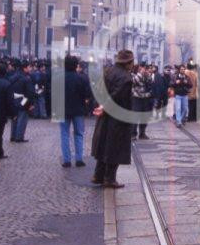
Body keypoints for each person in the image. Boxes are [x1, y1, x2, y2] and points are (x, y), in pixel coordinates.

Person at [90, 50, 136, 189]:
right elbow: (117, 96)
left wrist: (100, 105)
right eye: (132, 62)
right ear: (128, 63)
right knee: (114, 148)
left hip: (105, 116)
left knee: (103, 145)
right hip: (118, 117)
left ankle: (98, 175)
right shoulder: (126, 78)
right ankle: (109, 179)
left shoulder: (108, 71)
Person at [60, 55, 93, 167]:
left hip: (63, 109)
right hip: (78, 109)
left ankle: (67, 160)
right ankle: (79, 158)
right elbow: (88, 94)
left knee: (64, 134)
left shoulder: (59, 78)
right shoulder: (82, 78)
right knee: (79, 134)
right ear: (76, 66)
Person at [8, 60, 36, 143]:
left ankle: (13, 136)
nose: (31, 69)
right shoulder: (26, 78)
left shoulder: (13, 77)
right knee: (22, 117)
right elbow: (30, 93)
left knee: (15, 117)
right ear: (25, 68)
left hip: (14, 98)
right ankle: (19, 137)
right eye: (29, 67)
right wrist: (31, 103)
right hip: (24, 99)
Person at [131, 61, 154, 139]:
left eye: (145, 67)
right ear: (140, 67)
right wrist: (140, 73)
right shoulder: (134, 75)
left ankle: (142, 133)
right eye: (143, 67)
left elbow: (151, 84)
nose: (145, 69)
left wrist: (147, 75)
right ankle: (133, 134)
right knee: (135, 116)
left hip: (146, 98)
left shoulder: (147, 76)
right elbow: (134, 81)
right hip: (136, 98)